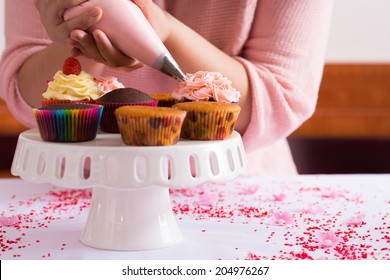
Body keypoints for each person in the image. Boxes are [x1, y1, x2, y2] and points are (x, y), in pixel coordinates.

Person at [0, 0, 334, 175]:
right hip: (75, 192)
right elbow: (26, 97)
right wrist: (82, 27)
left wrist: (167, 31)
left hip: (237, 189)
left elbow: (283, 100)